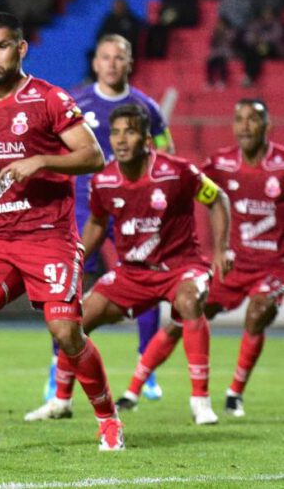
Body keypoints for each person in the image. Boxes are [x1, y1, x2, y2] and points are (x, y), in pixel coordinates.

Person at [0, 12, 123, 451]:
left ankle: (108, 417)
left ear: (20, 49)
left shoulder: (49, 99)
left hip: (50, 237)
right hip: (0, 239)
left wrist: (42, 161)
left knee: (66, 333)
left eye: (0, 47)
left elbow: (93, 156)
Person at [24, 104, 231, 426]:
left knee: (190, 301)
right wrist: (76, 256)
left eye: (130, 132)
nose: (121, 140)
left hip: (181, 268)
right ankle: (60, 401)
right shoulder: (104, 180)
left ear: (147, 140)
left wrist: (221, 249)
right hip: (132, 272)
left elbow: (218, 199)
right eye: (116, 132)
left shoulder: (178, 172)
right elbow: (97, 222)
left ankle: (200, 401)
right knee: (75, 320)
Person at [111, 99, 282, 418]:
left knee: (257, 313)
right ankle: (133, 390)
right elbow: (184, 184)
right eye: (239, 119)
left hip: (272, 267)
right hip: (231, 265)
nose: (245, 126)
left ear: (267, 126)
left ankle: (234, 395)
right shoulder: (221, 163)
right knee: (183, 314)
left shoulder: (281, 165)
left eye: (253, 119)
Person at [38, 34, 176, 403]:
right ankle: (57, 368)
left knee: (146, 282)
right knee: (68, 286)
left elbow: (166, 149)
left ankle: (146, 370)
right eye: (106, 57)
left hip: (133, 210)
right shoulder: (77, 103)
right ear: (95, 63)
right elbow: (54, 149)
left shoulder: (146, 107)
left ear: (129, 63)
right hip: (85, 209)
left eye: (119, 57)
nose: (112, 63)